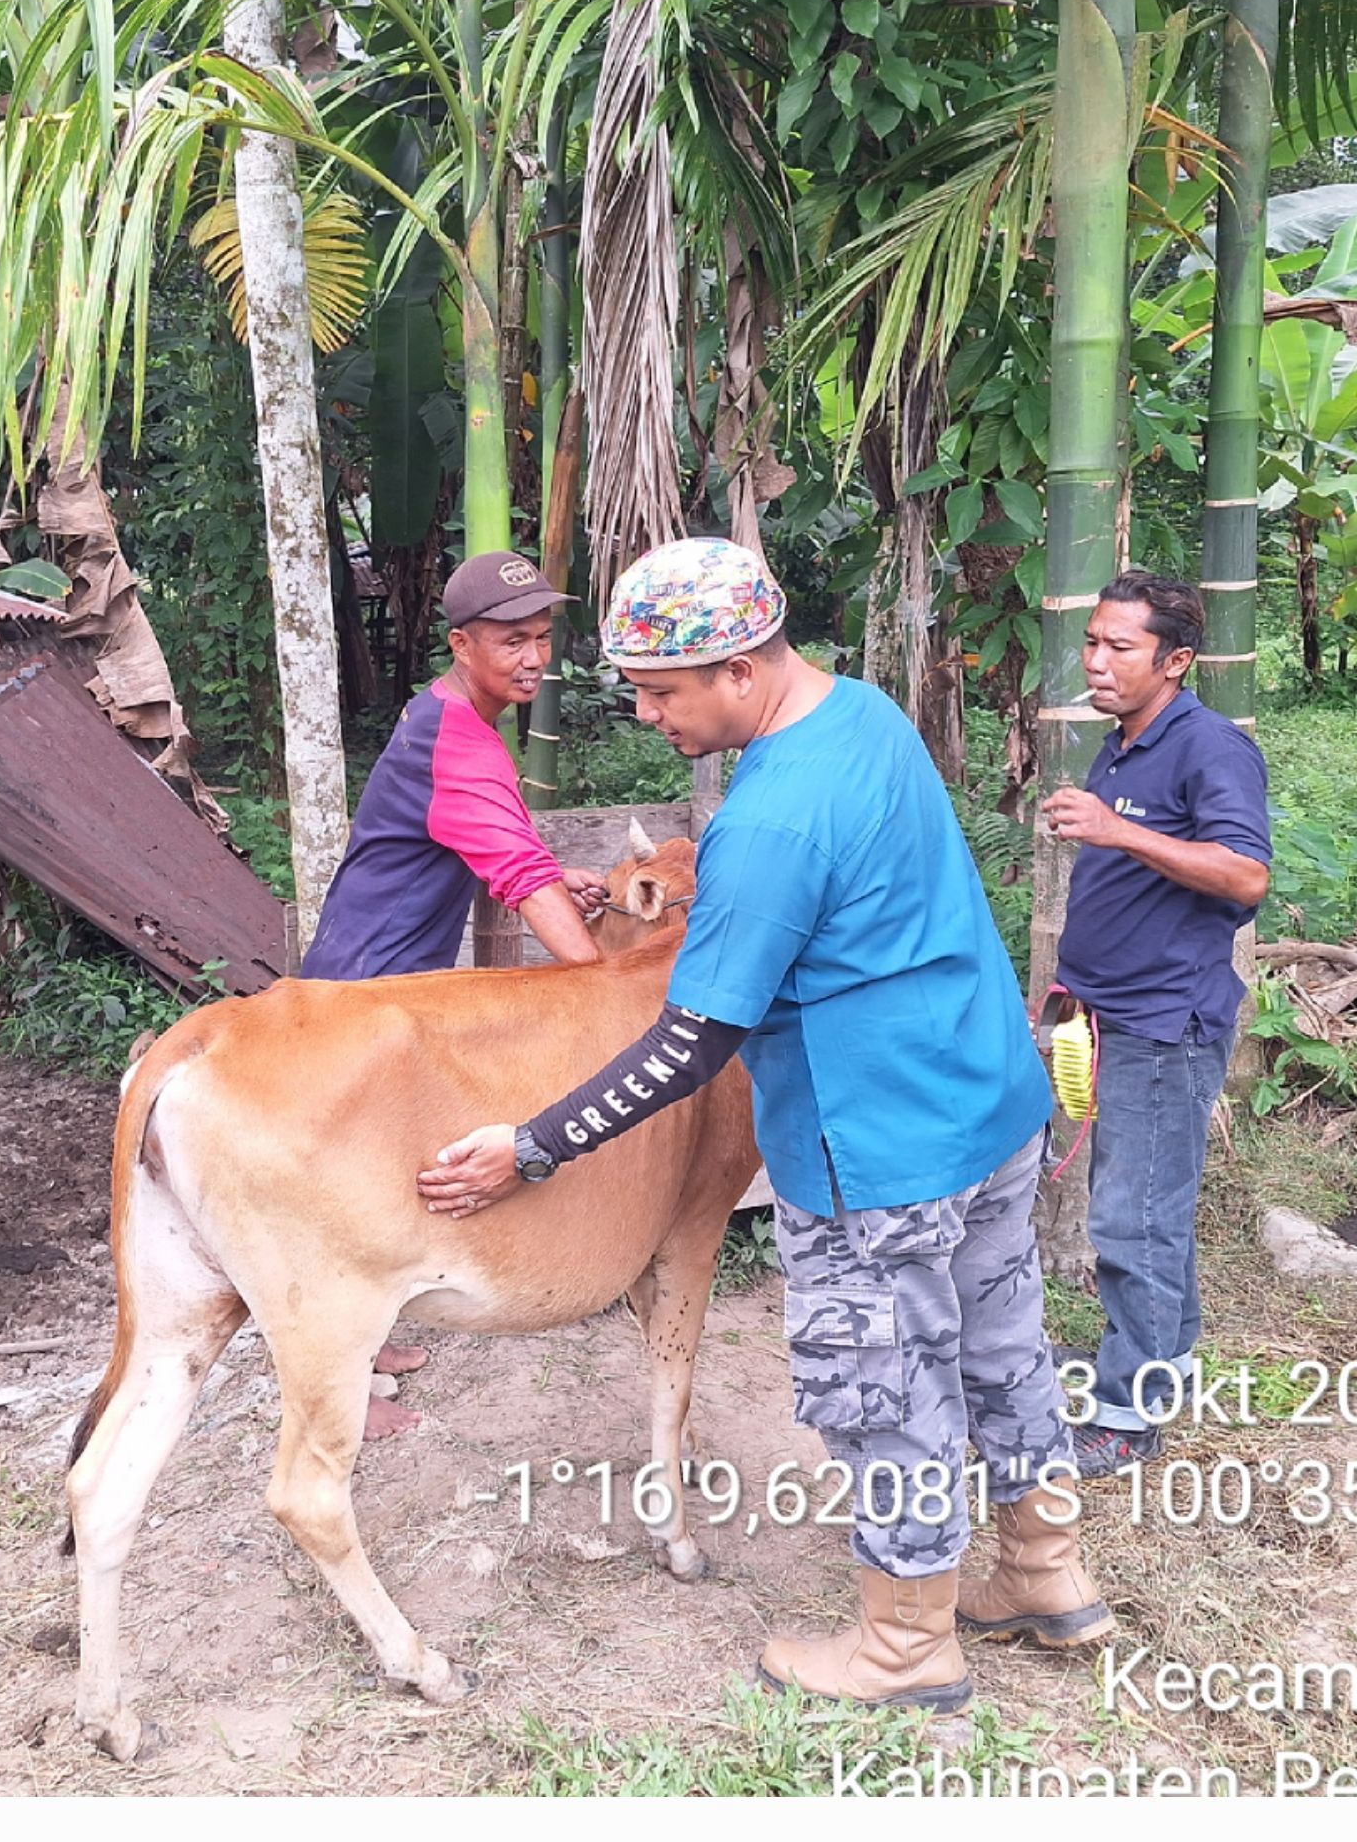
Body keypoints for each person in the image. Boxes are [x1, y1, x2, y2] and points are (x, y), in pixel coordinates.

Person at [419, 539, 1110, 1711]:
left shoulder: (770, 821)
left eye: (662, 690)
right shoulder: (869, 718)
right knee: (1002, 1350)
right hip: (990, 1107)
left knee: (881, 1384)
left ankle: (904, 1647)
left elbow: (691, 1043)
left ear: (740, 669)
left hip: (876, 1150)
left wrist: (531, 1145)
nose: (646, 714)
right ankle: (1046, 1573)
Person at [301, 547, 612, 1435]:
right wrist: (597, 988)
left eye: (543, 637)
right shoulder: (460, 742)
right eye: (512, 640)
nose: (533, 658)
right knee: (340, 1194)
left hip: (382, 980)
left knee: (378, 1175)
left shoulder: (445, 718)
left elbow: (496, 847)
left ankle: (365, 1336)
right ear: (462, 644)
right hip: (363, 994)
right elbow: (513, 870)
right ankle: (337, 1390)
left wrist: (562, 875)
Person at [1044, 573, 1273, 1477]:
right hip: (1108, 1011)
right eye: (1093, 642)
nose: (1095, 662)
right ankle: (1155, 1369)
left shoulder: (1209, 749)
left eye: (1119, 648)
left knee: (1134, 1221)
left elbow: (1244, 876)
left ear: (1175, 661)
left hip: (1163, 1022)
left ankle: (1127, 1418)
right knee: (1142, 1209)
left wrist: (1117, 830)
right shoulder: (1128, 742)